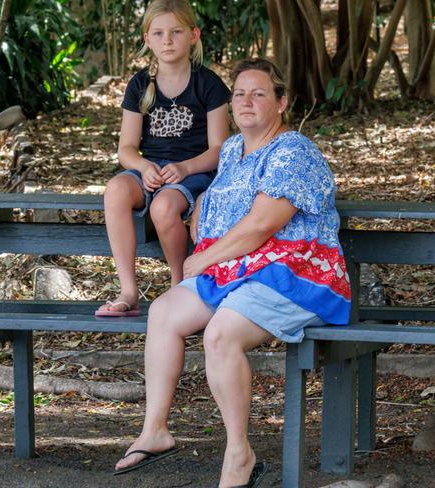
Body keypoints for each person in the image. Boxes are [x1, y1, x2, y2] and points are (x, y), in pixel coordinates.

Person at [113, 58, 352, 487]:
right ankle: (156, 430)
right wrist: (203, 226)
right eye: (239, 94)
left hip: (294, 270)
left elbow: (263, 224)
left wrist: (202, 258)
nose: (246, 101)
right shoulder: (230, 151)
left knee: (219, 334)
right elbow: (214, 201)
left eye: (258, 94)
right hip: (236, 268)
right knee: (164, 312)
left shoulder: (294, 151)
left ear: (281, 103)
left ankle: (239, 454)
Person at [95, 0, 230, 317]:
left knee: (164, 206)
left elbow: (220, 150)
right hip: (150, 170)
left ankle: (179, 284)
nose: (167, 40)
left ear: (193, 35)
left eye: (176, 32)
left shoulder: (209, 85)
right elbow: (126, 148)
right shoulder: (140, 85)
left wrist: (185, 168)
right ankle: (129, 290)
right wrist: (143, 166)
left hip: (194, 172)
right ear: (147, 39)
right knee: (115, 190)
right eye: (158, 33)